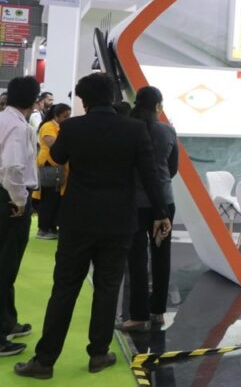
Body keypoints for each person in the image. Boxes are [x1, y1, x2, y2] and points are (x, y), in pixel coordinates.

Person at [15, 73, 171, 379]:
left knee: (65, 288)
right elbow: (150, 174)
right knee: (108, 287)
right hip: (119, 221)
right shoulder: (135, 129)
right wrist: (161, 212)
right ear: (112, 96)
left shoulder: (72, 127)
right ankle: (99, 354)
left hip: (77, 219)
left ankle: (44, 361)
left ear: (84, 101)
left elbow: (56, 156)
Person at [121, 86, 178, 332]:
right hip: (164, 201)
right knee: (162, 256)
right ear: (157, 106)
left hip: (135, 202)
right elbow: (173, 168)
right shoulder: (168, 131)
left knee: (136, 258)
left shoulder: (128, 129)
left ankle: (138, 315)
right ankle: (158, 311)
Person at [0, 76, 41, 357]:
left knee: (6, 265)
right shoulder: (16, 126)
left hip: (6, 197)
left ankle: (8, 322)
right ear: (33, 99)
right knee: (6, 266)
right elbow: (12, 168)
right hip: (9, 200)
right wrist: (19, 200)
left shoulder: (6, 120)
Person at [32, 103, 72, 240]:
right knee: (49, 198)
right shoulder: (48, 126)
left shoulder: (60, 127)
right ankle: (43, 229)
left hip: (58, 166)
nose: (67, 119)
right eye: (65, 116)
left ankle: (52, 227)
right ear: (56, 115)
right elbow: (54, 145)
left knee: (56, 199)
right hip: (49, 165)